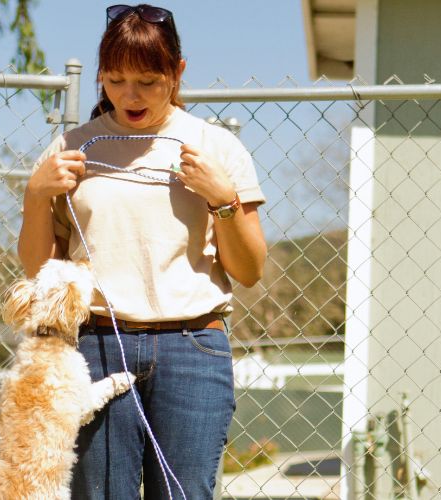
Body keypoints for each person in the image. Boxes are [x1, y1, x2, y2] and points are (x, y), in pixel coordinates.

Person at [17, 4, 267, 498]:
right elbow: (38, 268)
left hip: (193, 348)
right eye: (114, 80)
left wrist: (223, 199)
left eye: (148, 81)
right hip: (97, 346)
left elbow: (250, 269)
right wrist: (35, 195)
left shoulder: (214, 149)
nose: (129, 96)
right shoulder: (72, 148)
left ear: (178, 72)